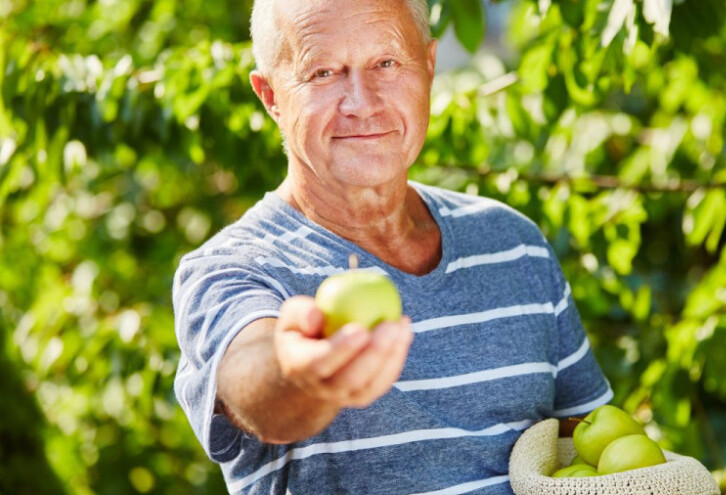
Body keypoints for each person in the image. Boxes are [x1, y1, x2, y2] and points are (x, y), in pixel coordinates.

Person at [172, 0, 613, 493]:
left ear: (427, 67)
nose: (361, 101)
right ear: (271, 95)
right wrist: (305, 374)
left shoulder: (514, 244)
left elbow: (596, 445)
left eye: (386, 63)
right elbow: (254, 382)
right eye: (322, 72)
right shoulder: (232, 268)